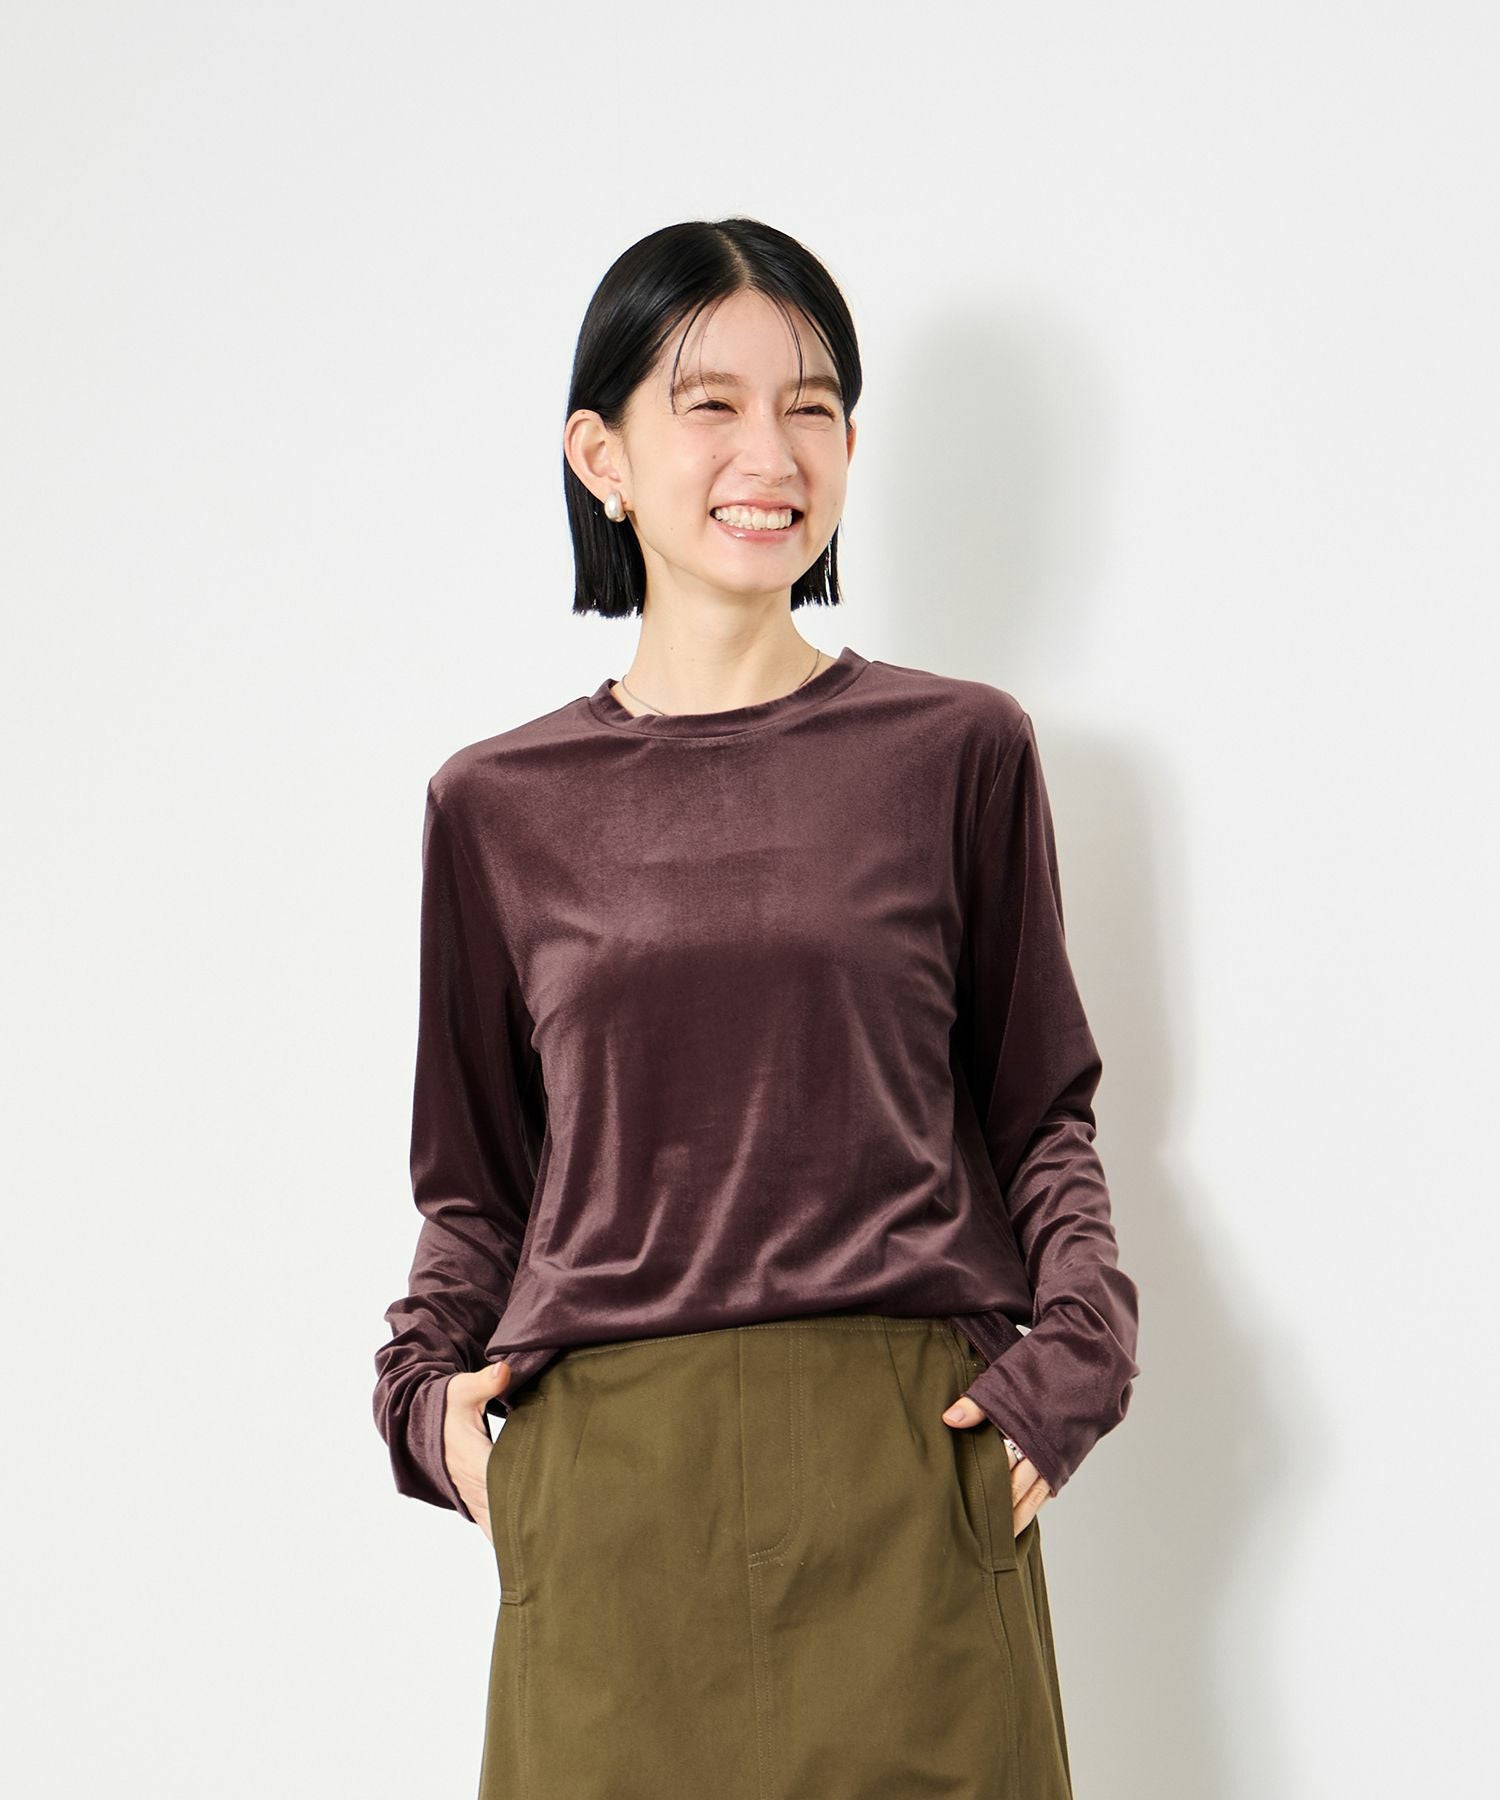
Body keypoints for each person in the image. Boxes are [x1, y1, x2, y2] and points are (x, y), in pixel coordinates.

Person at [372, 216, 1141, 1800]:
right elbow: (477, 1184)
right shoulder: (495, 806)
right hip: (610, 1494)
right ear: (602, 455)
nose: (770, 451)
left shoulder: (958, 754)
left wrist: (1077, 1356)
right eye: (708, 402)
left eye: (812, 404)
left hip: (905, 1465)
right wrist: (421, 1391)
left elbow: (1038, 1116)